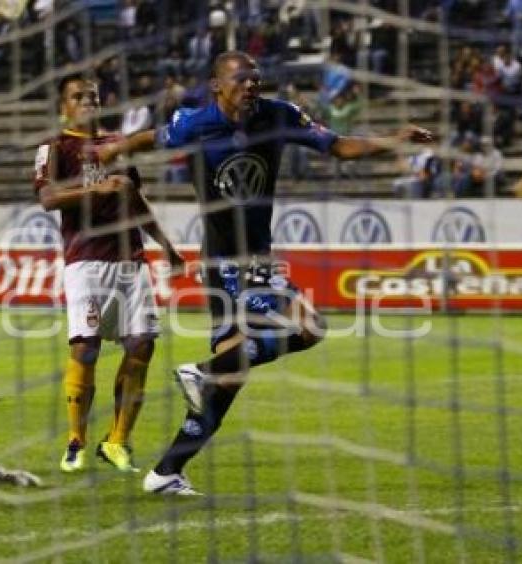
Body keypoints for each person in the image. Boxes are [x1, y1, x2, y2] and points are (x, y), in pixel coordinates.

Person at [99, 51, 434, 495]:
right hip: (226, 263)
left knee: (232, 375)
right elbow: (150, 138)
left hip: (253, 258)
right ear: (217, 85)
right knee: (310, 326)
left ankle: (166, 471)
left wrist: (396, 138)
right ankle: (202, 372)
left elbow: (340, 147)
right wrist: (115, 148)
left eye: (256, 80)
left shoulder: (279, 115)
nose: (251, 87)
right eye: (241, 80)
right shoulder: (194, 123)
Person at [34, 75, 183, 474]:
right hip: (85, 260)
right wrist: (94, 192)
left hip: (131, 260)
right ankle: (76, 440)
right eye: (77, 96)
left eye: (93, 96)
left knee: (142, 347)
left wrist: (167, 248)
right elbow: (48, 198)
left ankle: (117, 441)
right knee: (86, 348)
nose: (87, 101)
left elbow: (136, 201)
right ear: (63, 106)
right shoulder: (54, 146)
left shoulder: (118, 146)